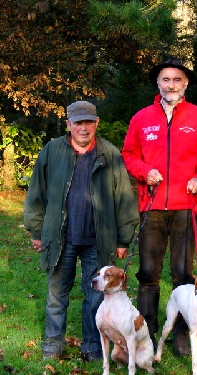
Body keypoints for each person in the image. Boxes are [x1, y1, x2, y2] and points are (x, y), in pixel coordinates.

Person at [122, 56, 197, 355]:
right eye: (166, 79)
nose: (171, 85)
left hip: (185, 206)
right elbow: (129, 154)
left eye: (177, 80)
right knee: (148, 274)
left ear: (186, 83)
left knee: (182, 275)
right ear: (158, 83)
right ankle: (146, 334)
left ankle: (183, 335)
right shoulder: (142, 118)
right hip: (151, 206)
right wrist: (144, 171)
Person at [24, 100, 138, 361]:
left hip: (98, 239)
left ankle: (93, 346)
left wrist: (123, 238)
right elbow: (36, 194)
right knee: (57, 293)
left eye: (89, 122)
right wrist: (36, 231)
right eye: (78, 123)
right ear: (69, 124)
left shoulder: (109, 154)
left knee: (96, 296)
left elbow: (123, 198)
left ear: (96, 123)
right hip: (60, 237)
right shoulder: (52, 151)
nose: (83, 128)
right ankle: (53, 344)